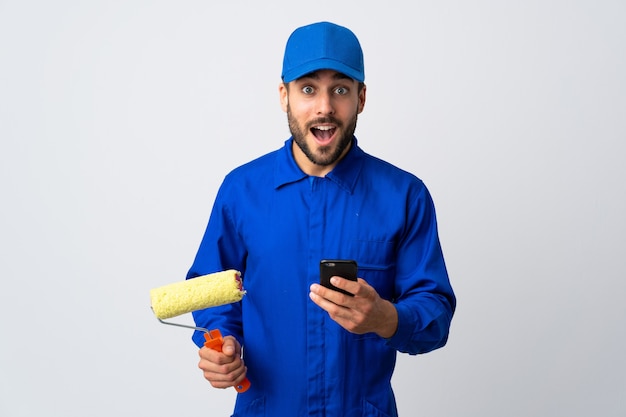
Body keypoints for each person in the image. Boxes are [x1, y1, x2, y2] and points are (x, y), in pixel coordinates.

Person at [187, 21, 456, 417]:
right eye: (308, 89)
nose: (325, 106)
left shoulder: (404, 196)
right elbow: (211, 291)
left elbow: (434, 312)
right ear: (285, 96)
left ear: (361, 98)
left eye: (341, 90)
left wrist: (387, 317)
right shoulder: (241, 192)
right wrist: (220, 344)